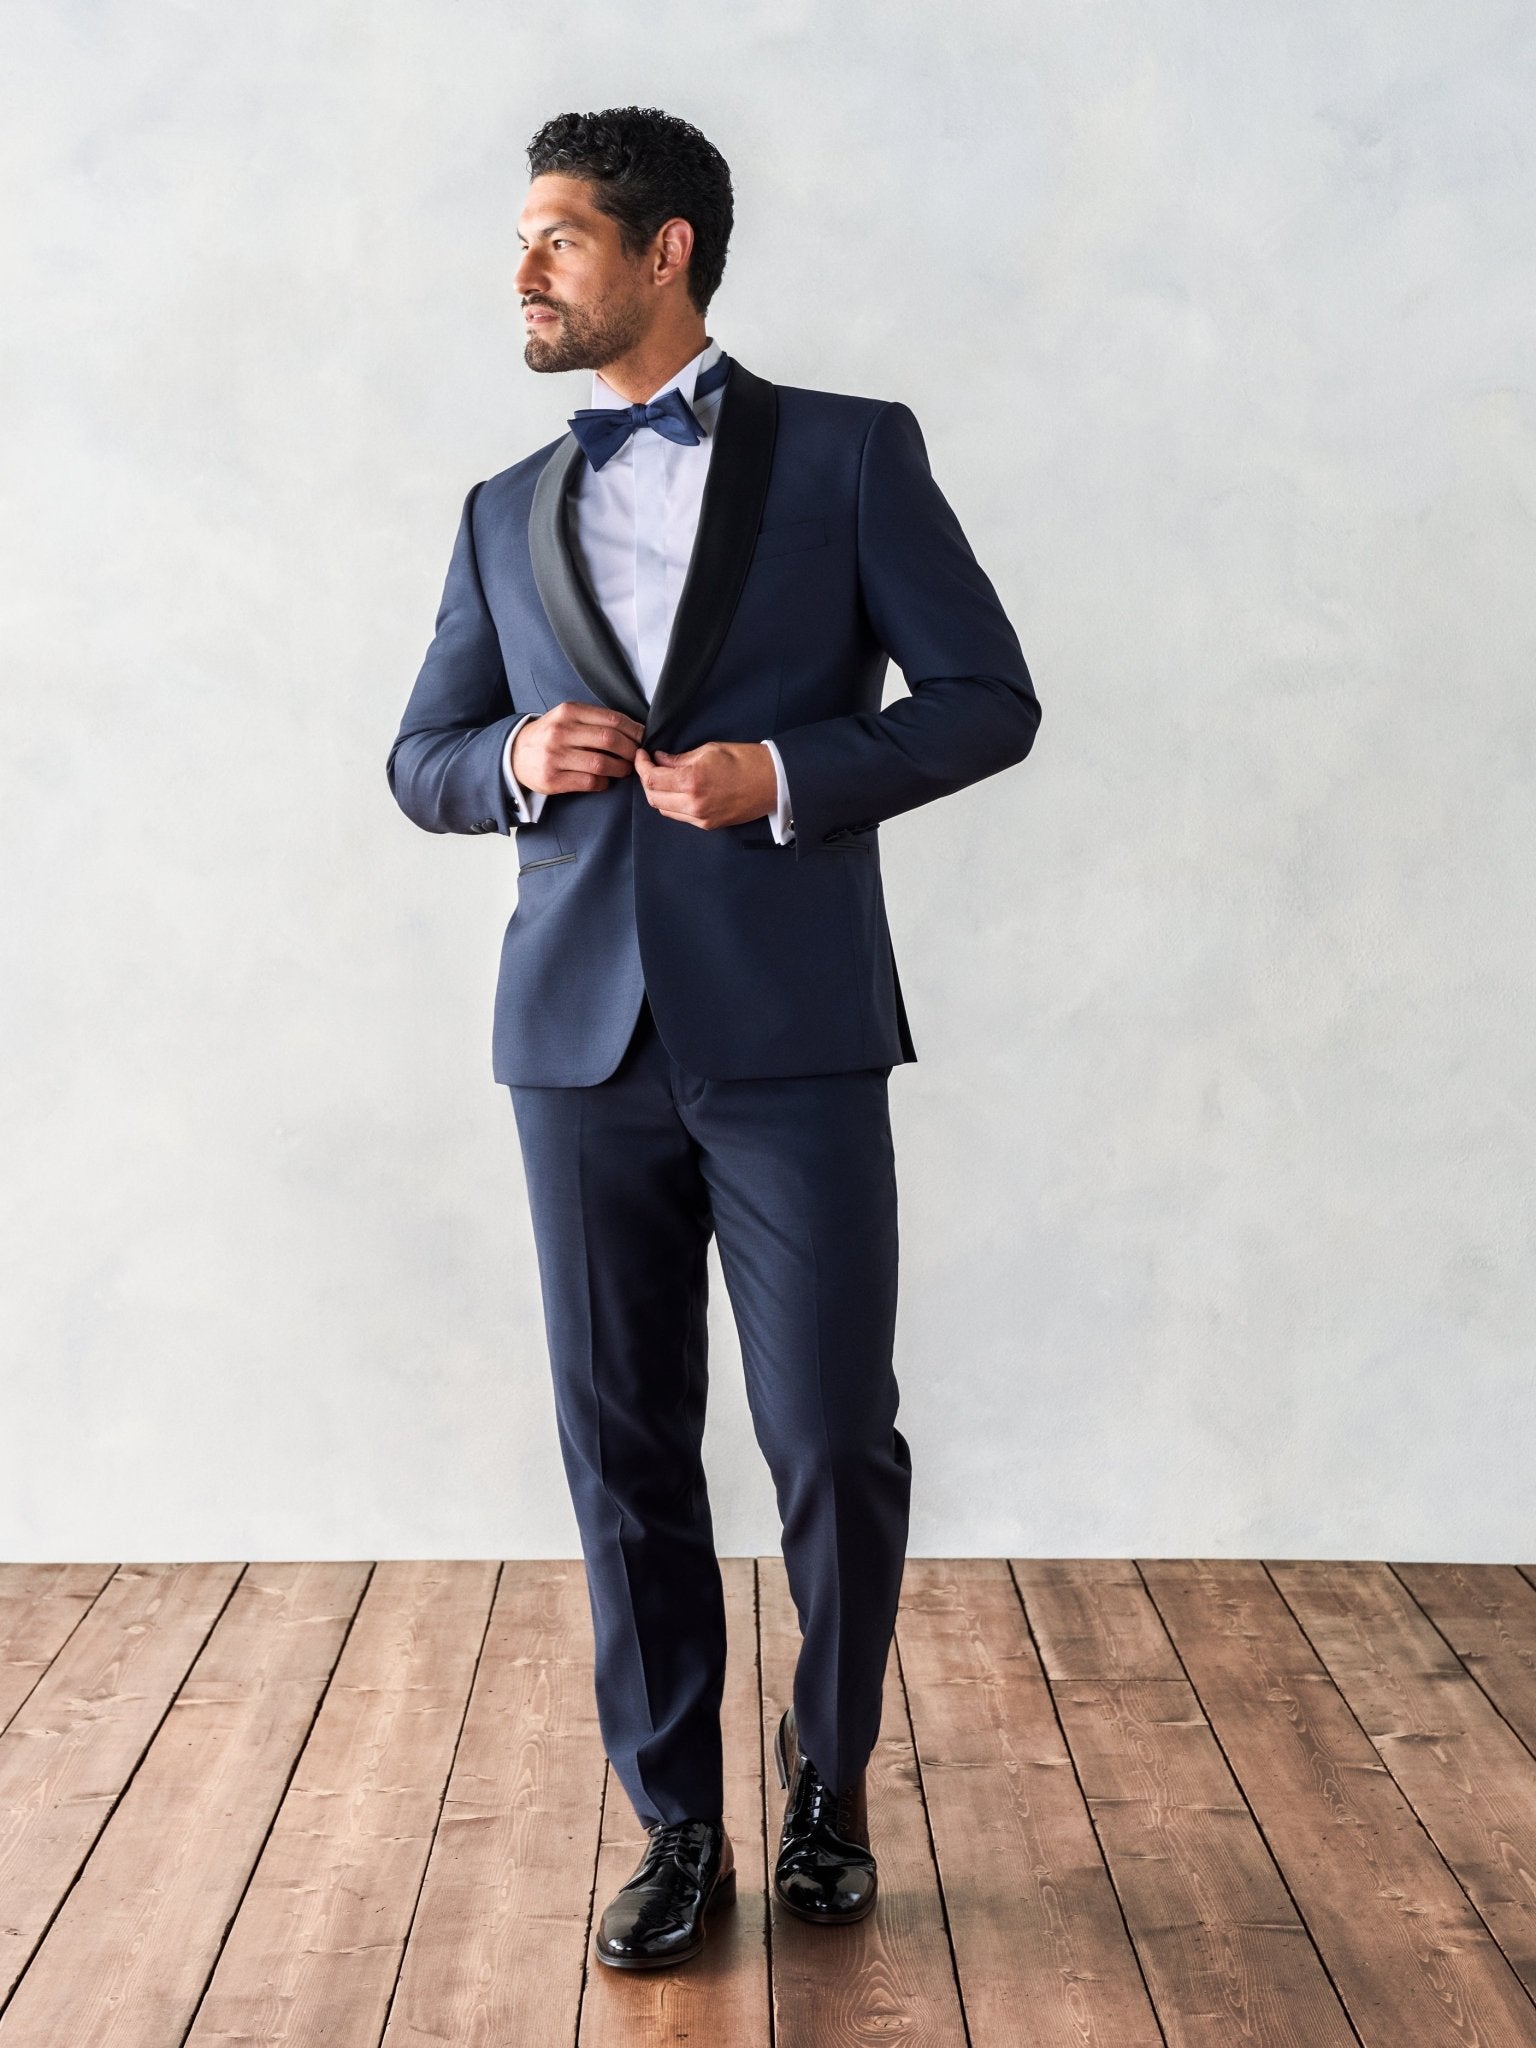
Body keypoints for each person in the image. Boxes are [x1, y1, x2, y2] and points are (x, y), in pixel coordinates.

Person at [387, 104, 1041, 1971]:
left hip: (795, 1025)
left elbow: (990, 699)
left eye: (557, 238)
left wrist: (787, 775)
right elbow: (417, 757)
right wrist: (511, 759)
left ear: (666, 253)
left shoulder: (847, 455)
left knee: (831, 1429)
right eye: (520, 239)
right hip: (575, 1044)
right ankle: (678, 1820)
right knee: (624, 1445)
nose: (521, 271)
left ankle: (825, 1779)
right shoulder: (499, 509)